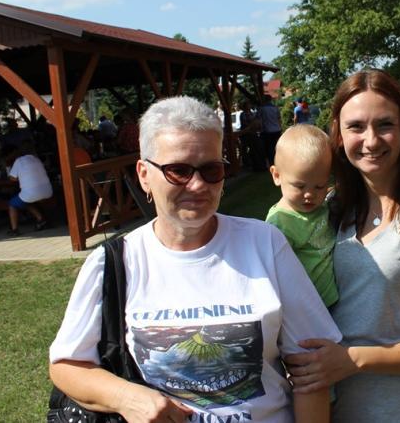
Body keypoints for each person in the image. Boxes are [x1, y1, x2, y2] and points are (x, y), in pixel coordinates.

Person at [49, 96, 340, 423]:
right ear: (144, 174)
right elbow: (66, 365)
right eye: (178, 170)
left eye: (211, 170)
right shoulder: (115, 262)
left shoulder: (265, 242)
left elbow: (311, 365)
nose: (198, 184)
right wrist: (128, 398)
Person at [284, 69, 400, 423]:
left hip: (389, 412)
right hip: (313, 408)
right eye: (356, 127)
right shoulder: (328, 208)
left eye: (385, 125)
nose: (371, 140)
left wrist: (352, 359)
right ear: (339, 134)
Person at [266, 125, 338, 308]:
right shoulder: (280, 223)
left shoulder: (321, 204)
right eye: (299, 186)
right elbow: (274, 271)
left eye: (319, 186)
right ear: (277, 175)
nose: (309, 195)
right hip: (307, 307)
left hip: (331, 300)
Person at [5, 145, 53, 235]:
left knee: (12, 204)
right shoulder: (37, 159)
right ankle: (41, 219)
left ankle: (14, 230)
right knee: (25, 200)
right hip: (48, 191)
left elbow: (12, 178)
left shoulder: (19, 161)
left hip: (31, 194)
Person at [238, 100, 266, 171]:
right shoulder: (243, 114)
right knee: (252, 150)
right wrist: (252, 124)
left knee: (257, 149)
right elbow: (245, 123)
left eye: (249, 104)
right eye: (248, 105)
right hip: (247, 134)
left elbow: (257, 121)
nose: (249, 106)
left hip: (254, 133)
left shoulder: (252, 113)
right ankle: (253, 165)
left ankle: (259, 165)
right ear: (245, 106)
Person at [258, 95, 282, 165]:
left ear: (264, 100)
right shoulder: (275, 108)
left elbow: (259, 120)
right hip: (277, 130)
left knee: (269, 149)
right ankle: (279, 161)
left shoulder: (262, 109)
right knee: (277, 147)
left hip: (267, 131)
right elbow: (279, 119)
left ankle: (271, 163)